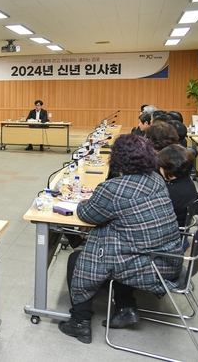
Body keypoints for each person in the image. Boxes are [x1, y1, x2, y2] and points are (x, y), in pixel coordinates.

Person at [58, 134, 182, 344]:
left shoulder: (114, 189)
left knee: (77, 259)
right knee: (121, 244)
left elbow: (88, 214)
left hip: (148, 266)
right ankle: (125, 306)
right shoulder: (156, 179)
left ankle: (80, 322)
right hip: (168, 257)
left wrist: (84, 201)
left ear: (117, 159)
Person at [157, 145, 198, 226]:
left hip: (170, 229)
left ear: (168, 169)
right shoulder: (187, 181)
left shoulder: (170, 193)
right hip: (181, 223)